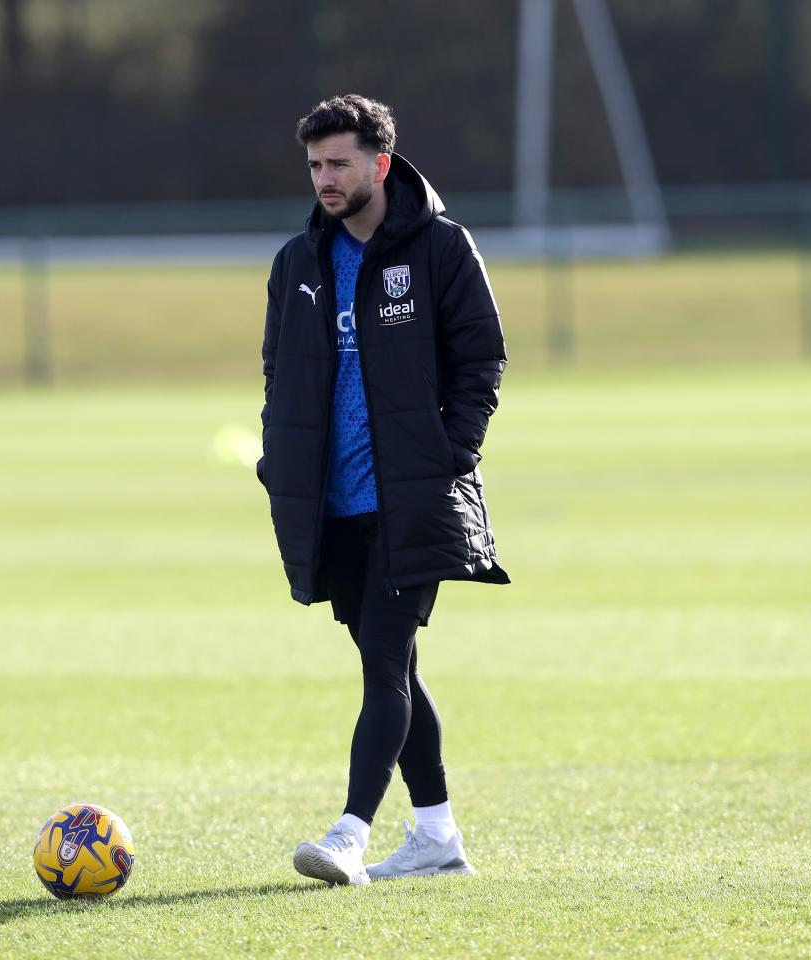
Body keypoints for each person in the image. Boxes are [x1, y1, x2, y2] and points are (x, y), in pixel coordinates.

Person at [257, 94, 509, 886]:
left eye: (338, 163)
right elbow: (278, 372)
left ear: (381, 164)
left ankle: (350, 835)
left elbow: (483, 359)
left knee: (384, 667)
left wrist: (450, 453)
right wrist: (278, 460)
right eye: (314, 165)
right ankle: (436, 836)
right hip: (331, 507)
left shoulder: (440, 248)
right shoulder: (298, 261)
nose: (324, 179)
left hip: (413, 497)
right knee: (388, 662)